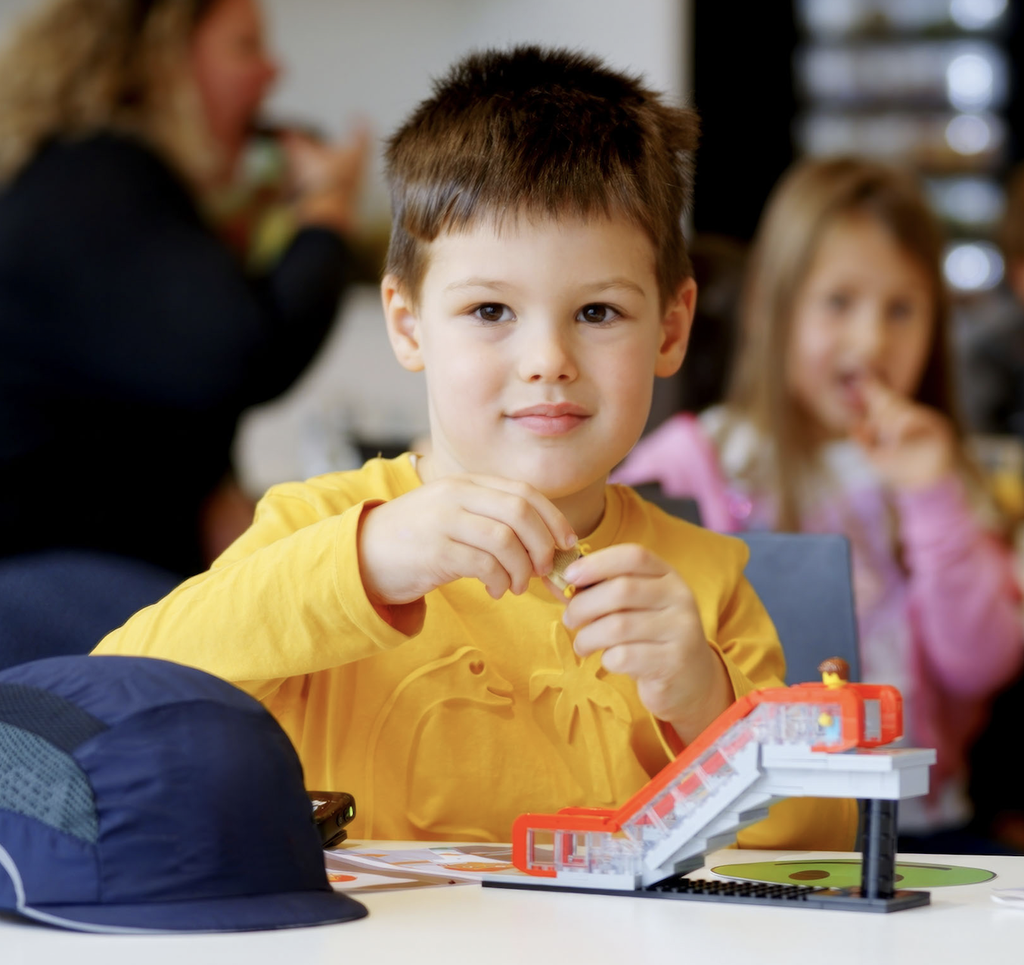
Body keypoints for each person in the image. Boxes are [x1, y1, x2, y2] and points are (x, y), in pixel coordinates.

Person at [95, 47, 856, 849]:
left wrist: (707, 699)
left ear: (671, 327)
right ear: (408, 322)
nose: (546, 359)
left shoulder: (702, 586)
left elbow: (825, 839)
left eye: (597, 313)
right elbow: (115, 695)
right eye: (491, 310)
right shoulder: (323, 527)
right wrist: (368, 560)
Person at [615, 157, 1024, 849]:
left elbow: (981, 661)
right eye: (838, 302)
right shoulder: (696, 465)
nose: (870, 340)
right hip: (749, 828)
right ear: (772, 306)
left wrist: (933, 496)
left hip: (921, 824)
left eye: (901, 308)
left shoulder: (939, 470)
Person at [0, 0, 365, 578]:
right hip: (50, 576)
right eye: (246, 46)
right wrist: (325, 207)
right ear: (163, 62)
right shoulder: (96, 177)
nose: (274, 72)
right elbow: (245, 354)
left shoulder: (86, 179)